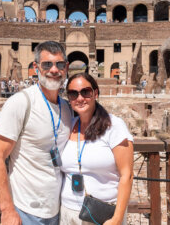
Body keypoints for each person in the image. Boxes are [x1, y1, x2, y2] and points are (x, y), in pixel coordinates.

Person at [0, 41, 72, 225]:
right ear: (36, 67)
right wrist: (7, 209)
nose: (54, 70)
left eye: (59, 64)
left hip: (58, 209)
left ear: (66, 67)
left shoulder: (67, 108)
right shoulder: (20, 102)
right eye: (47, 64)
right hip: (25, 210)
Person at [60, 73, 134, 225]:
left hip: (101, 214)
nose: (80, 98)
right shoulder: (69, 125)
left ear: (95, 93)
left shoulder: (114, 126)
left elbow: (127, 175)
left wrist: (117, 218)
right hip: (68, 212)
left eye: (85, 92)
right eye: (73, 94)